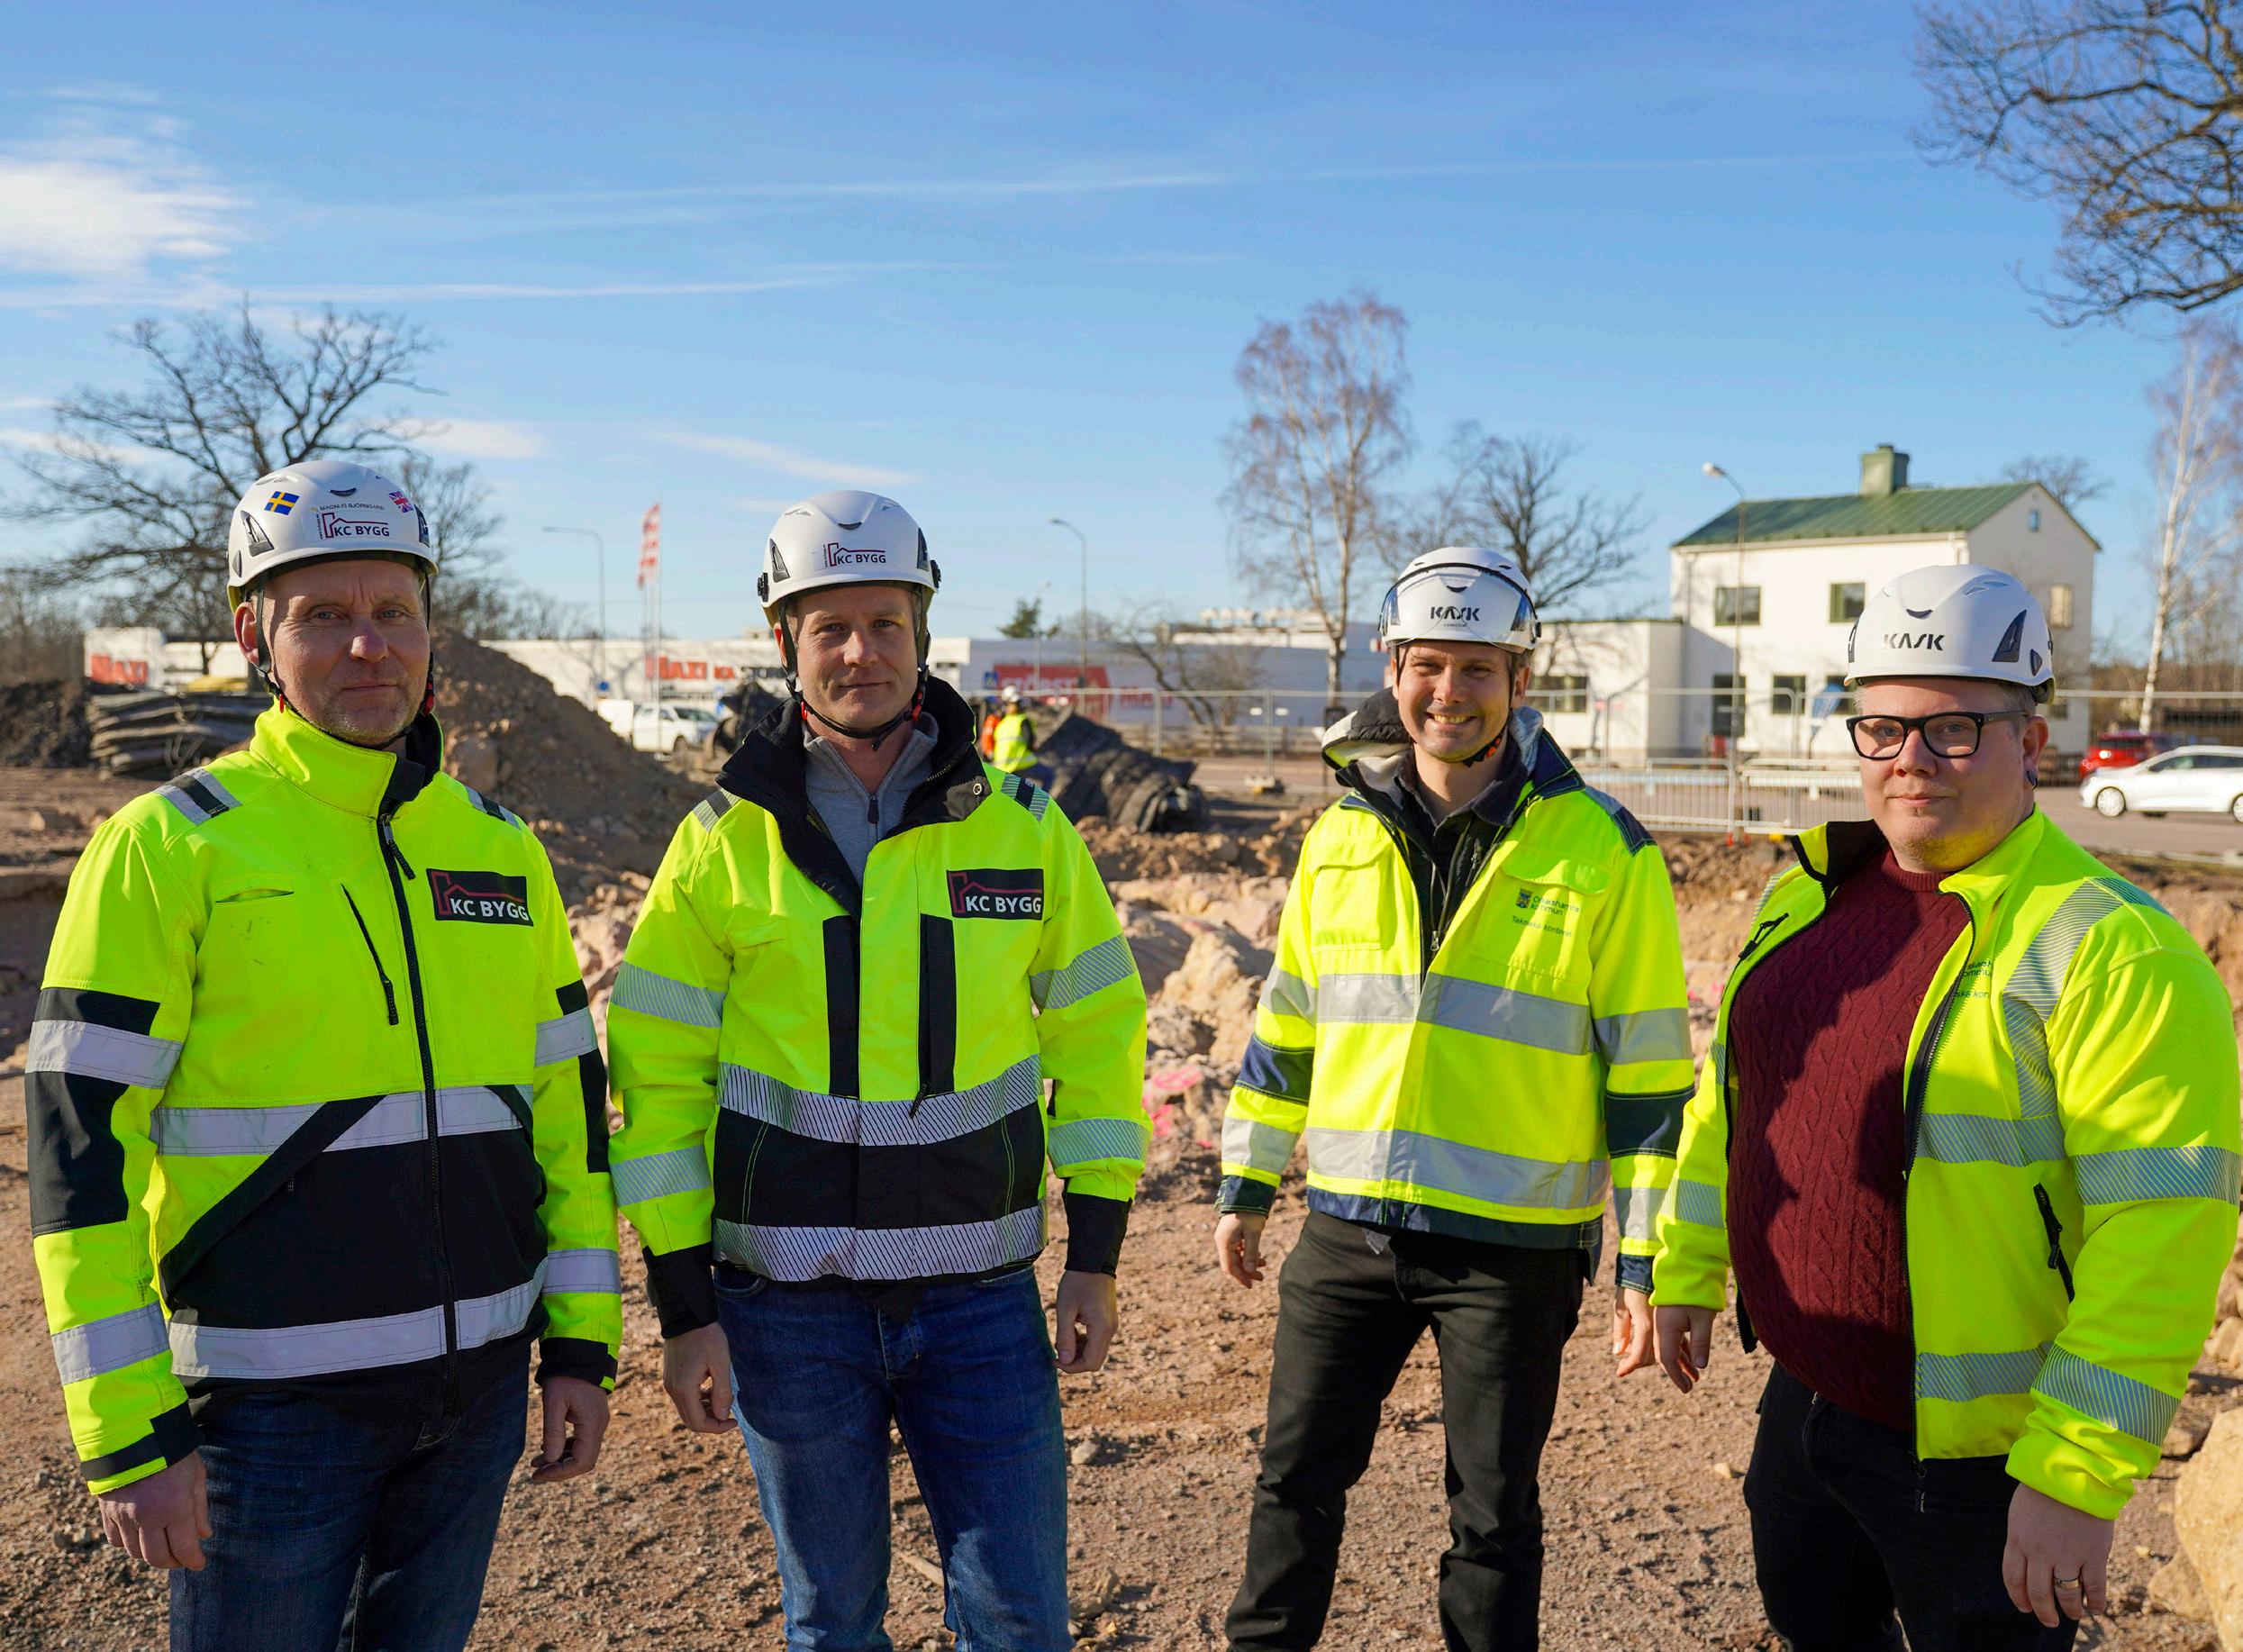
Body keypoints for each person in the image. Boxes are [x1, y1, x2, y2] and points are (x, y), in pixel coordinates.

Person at [27, 458, 621, 1651]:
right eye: (323, 614)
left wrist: (580, 1342)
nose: (368, 644)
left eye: (394, 609)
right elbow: (79, 1158)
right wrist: (128, 1431)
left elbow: (566, 1114)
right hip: (269, 1410)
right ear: (256, 635)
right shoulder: (170, 847)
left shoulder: (501, 848)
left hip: (476, 1398)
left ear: (431, 630)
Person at [1650, 566, 2241, 1651]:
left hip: (1984, 1463)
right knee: (1814, 1624)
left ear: (2033, 739)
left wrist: (2074, 1476)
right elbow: (1734, 1103)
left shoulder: (2118, 951)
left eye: (1955, 729)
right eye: (1882, 727)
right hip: (1805, 1396)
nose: (1911, 759)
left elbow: (2161, 1231)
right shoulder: (1807, 895)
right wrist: (1688, 1265)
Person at [605, 489, 1149, 1649]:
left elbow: (1099, 1039)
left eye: (886, 623)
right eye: (832, 627)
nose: (862, 652)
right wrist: (685, 1306)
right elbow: (657, 1086)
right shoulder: (718, 845)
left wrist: (1096, 1256)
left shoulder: (1025, 830)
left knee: (1021, 1622)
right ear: (785, 640)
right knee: (832, 1624)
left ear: (922, 629)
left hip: (980, 1303)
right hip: (786, 1312)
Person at [1214, 547, 1694, 1651]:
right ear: (1392, 670)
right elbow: (1288, 1025)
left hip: (1512, 1249)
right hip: (1346, 1229)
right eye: (1427, 664)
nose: (1448, 691)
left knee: (1491, 1517)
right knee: (1292, 1484)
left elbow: (1651, 1078)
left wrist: (1644, 1258)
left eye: (1477, 667)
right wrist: (1247, 1179)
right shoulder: (1339, 835)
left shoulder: (1605, 849)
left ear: (1521, 680)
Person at [992, 682, 1040, 774]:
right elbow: (1030, 743)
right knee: (1049, 775)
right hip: (1019, 765)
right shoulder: (1022, 720)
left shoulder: (1002, 723)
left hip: (1000, 768)